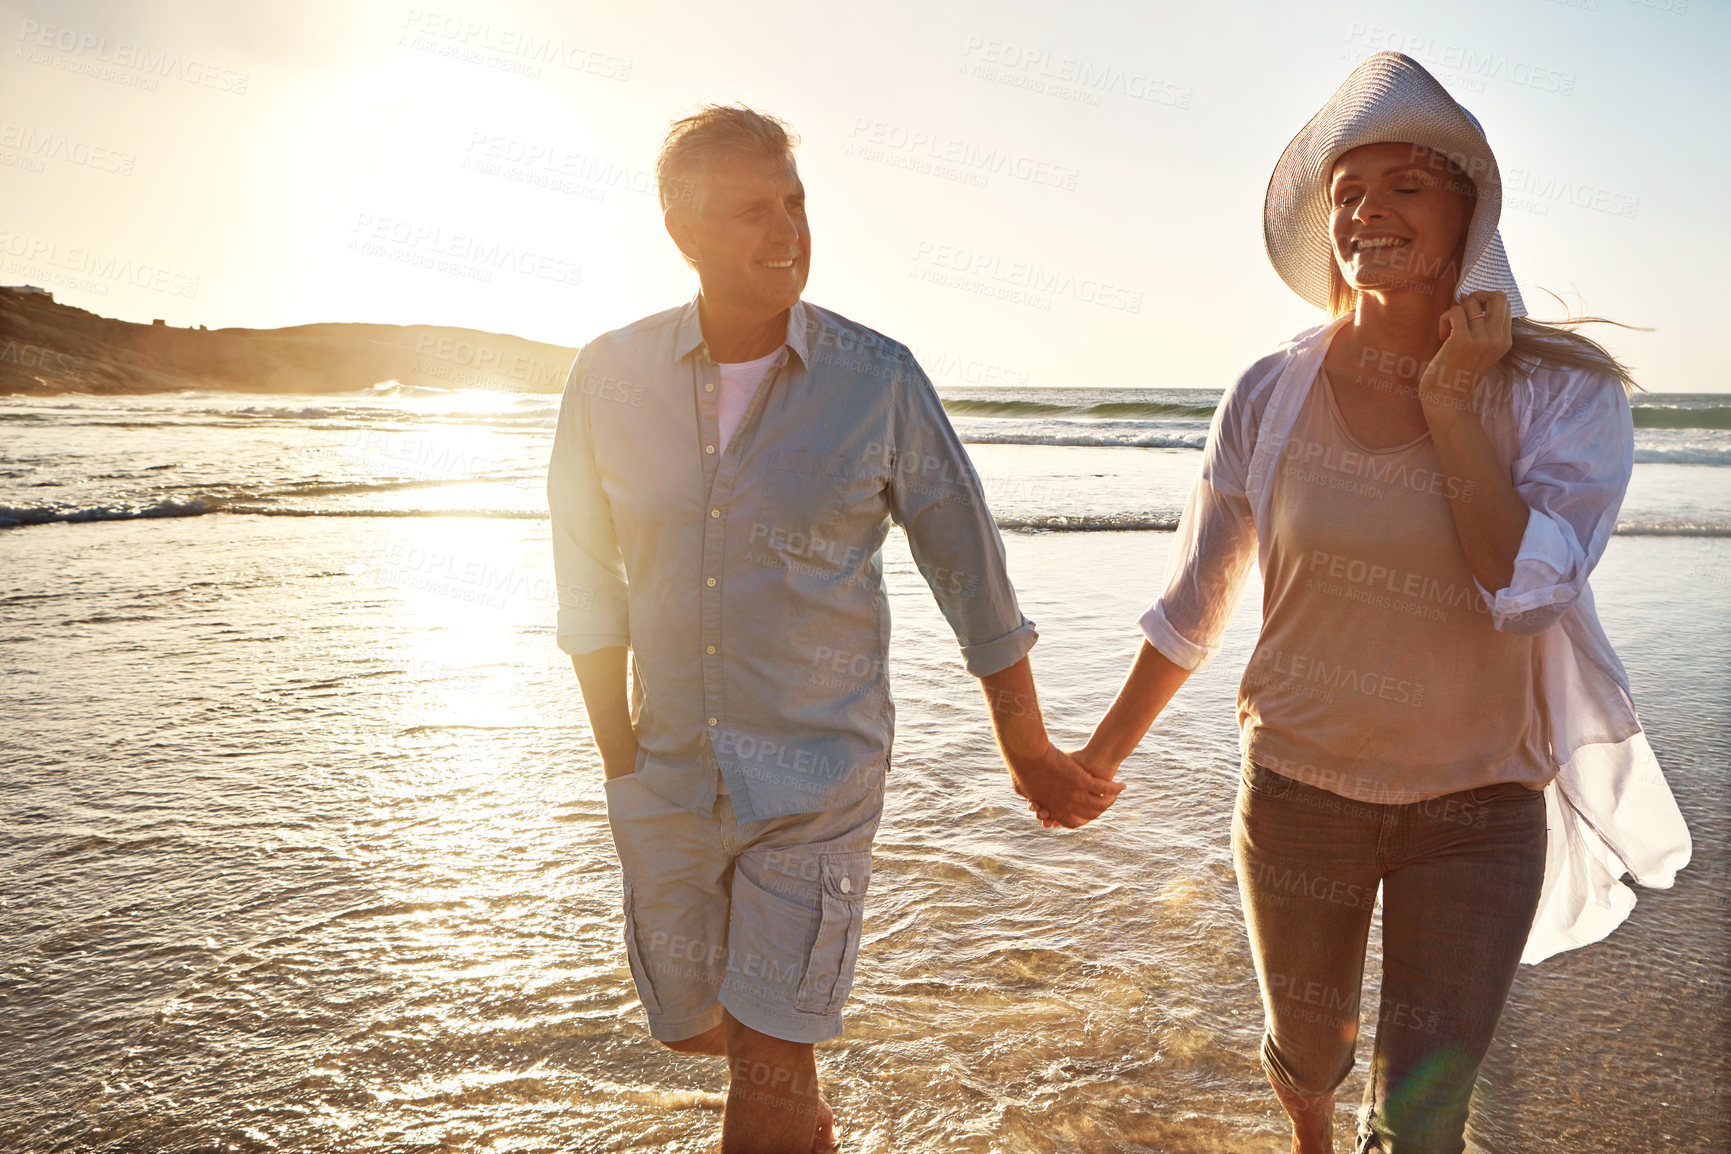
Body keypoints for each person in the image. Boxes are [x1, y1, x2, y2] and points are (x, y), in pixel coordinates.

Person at [1036, 52, 1691, 1153]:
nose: (1367, 212)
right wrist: (1095, 759)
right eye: (1347, 192)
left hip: (1479, 809)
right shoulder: (1269, 390)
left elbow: (1523, 590)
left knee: (1426, 1110)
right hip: (1298, 788)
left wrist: (1450, 402)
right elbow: (1195, 597)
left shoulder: (1560, 395)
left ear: (1467, 216)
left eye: (1405, 186)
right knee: (1308, 1050)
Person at [547, 105, 1122, 1154]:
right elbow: (587, 583)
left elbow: (973, 575)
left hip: (817, 780)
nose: (787, 232)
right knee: (692, 1027)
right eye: (751, 212)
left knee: (769, 1055)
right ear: (679, 231)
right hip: (666, 772)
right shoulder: (609, 377)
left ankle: (783, 1093)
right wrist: (620, 760)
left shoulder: (877, 380)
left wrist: (1027, 747)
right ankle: (797, 1107)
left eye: (796, 204)